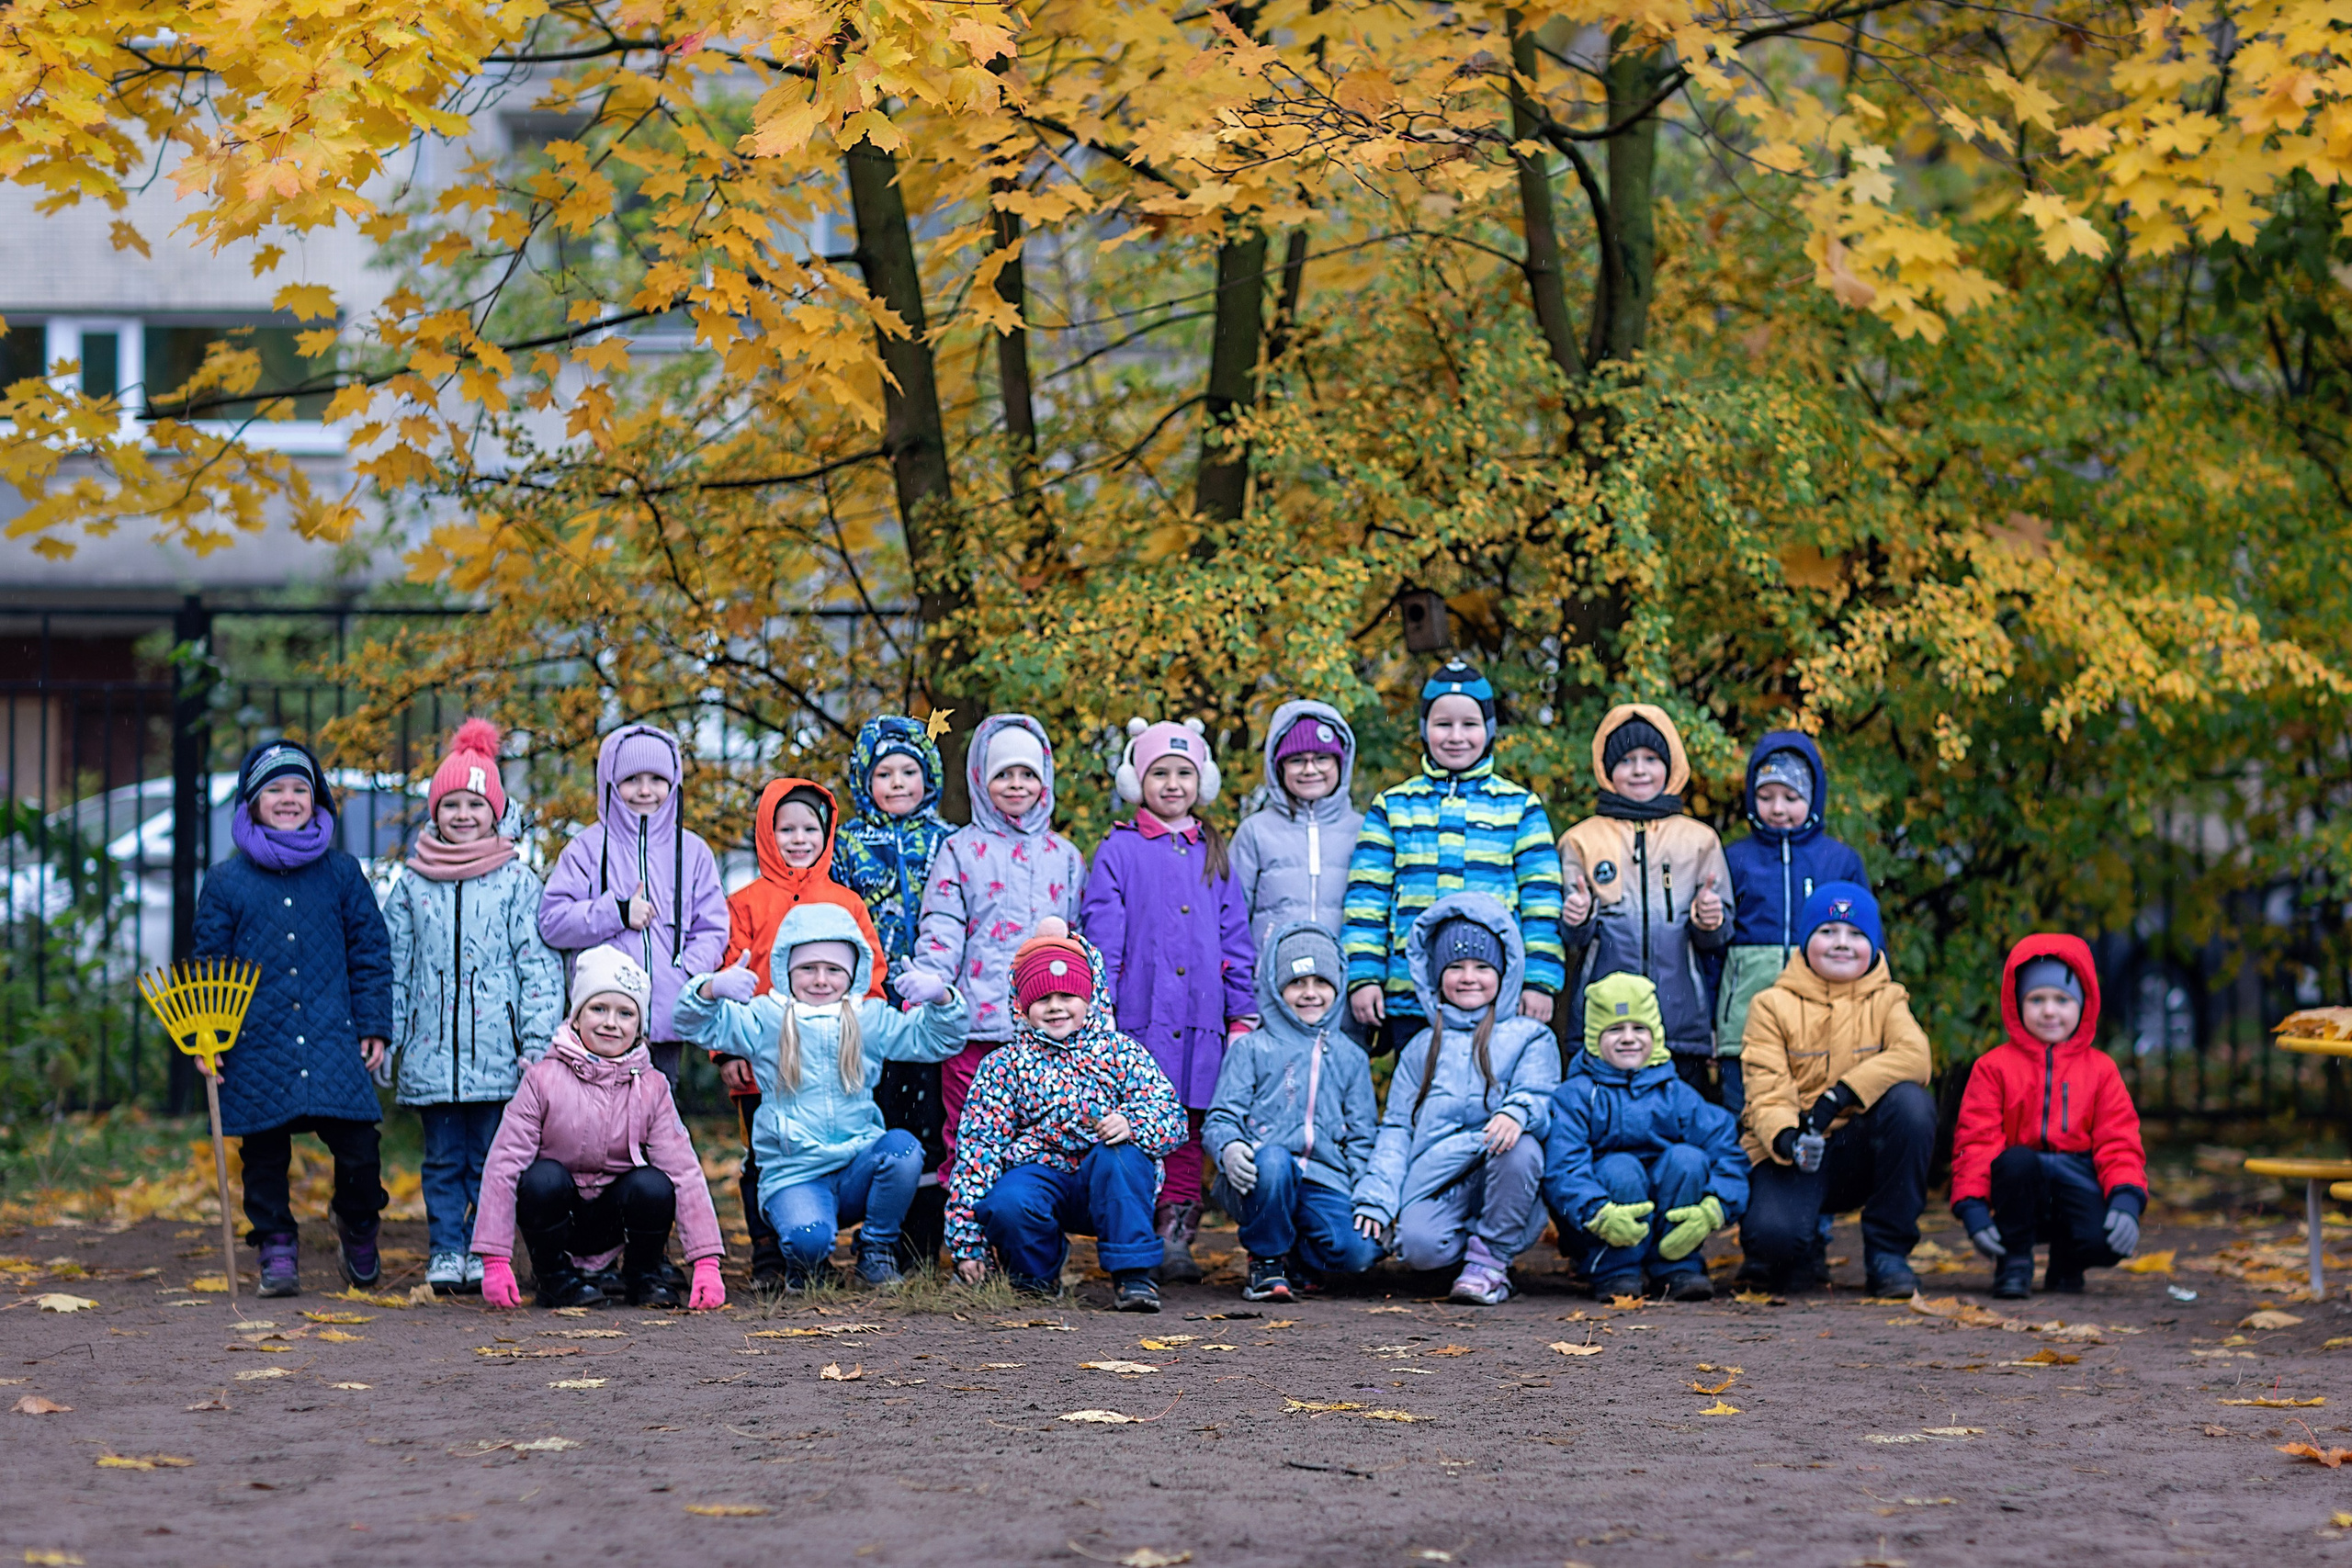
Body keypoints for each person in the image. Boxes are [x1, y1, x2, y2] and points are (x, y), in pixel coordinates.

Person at [675, 903, 968, 1290]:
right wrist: (711, 989)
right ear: (787, 970)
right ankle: (806, 1263)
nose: (820, 979)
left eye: (833, 969)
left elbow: (936, 1041)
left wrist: (942, 1000)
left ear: (852, 973)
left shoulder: (869, 1018)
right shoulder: (765, 1018)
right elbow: (690, 1023)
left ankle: (877, 1249)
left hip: (857, 1166)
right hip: (795, 1172)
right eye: (808, 969)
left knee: (904, 1151)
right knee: (809, 1239)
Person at [194, 739, 393, 1299]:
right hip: (255, 1041)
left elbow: (370, 951)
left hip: (334, 1037)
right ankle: (276, 1245)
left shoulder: (342, 873)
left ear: (318, 800)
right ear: (251, 803)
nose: (288, 798)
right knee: (263, 1153)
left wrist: (374, 1022)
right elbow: (208, 965)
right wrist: (209, 1037)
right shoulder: (226, 881)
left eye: (299, 789)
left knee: (359, 1147)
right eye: (274, 790)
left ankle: (357, 1226)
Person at [382, 718, 565, 1295]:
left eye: (475, 805)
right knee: (442, 1160)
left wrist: (534, 1045)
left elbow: (537, 969)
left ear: (495, 813)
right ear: (435, 812)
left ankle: (486, 1250)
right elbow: (395, 967)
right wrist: (390, 1034)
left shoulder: (515, 882)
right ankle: (445, 1248)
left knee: (493, 1159)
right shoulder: (411, 885)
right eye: (451, 804)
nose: (463, 815)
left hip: (497, 1056)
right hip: (431, 1051)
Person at [1080, 717, 1256, 1283]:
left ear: (1201, 781)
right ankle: (1133, 1229)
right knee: (1136, 1122)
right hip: (1140, 1016)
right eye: (1160, 773)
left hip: (1201, 1016)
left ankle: (1177, 1232)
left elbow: (1235, 937)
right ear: (1138, 780)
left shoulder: (1213, 850)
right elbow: (1102, 935)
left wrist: (1242, 1010)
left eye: (1184, 773)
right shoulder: (1118, 849)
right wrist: (1099, 1009)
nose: (1173, 784)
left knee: (1187, 1123)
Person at [944, 919, 1188, 1312]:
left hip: (1110, 1183)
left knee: (1122, 1158)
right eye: (1042, 999)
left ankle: (1133, 1277)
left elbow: (1172, 1118)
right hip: (1042, 1175)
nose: (1056, 1007)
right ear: (1022, 1007)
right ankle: (1035, 1278)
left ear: (1090, 998)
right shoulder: (1004, 1066)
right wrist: (967, 1244)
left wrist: (1133, 1123)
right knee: (1010, 1200)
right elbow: (978, 1152)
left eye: (1067, 996)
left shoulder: (1120, 1052)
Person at [471, 944, 727, 1311]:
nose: (611, 1022)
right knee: (541, 1178)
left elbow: (684, 1171)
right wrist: (494, 1260)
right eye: (598, 1009)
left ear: (639, 1027)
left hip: (615, 1218)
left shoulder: (652, 1085)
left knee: (654, 1185)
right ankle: (555, 1279)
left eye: (625, 1013)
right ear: (576, 1017)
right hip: (559, 1216)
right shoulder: (542, 1079)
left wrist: (706, 1262)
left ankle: (642, 1274)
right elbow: (503, 1165)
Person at [713, 776, 886, 1289]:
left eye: (810, 827)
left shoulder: (845, 903)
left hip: (834, 1056)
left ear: (827, 831)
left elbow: (870, 973)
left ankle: (822, 1245)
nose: (798, 838)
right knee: (762, 1155)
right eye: (785, 828)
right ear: (767, 832)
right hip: (763, 1059)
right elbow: (729, 976)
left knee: (836, 1147)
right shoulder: (744, 903)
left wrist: (865, 1033)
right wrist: (727, 1051)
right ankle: (768, 1254)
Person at [1343, 661, 1564, 1055]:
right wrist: (1363, 977)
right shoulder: (1392, 806)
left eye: (1470, 724)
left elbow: (1542, 903)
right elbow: (1366, 901)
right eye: (1443, 724)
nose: (1456, 736)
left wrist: (1539, 981)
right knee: (1419, 1098)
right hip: (1410, 991)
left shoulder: (1520, 807)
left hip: (1495, 994)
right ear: (1425, 728)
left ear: (1490, 730)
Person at [1351, 894, 1559, 1305]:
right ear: (1435, 976)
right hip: (1440, 1177)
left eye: (1483, 967)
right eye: (1456, 967)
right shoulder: (1421, 1047)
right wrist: (1377, 1196)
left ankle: (1491, 1259)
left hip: (1501, 1171)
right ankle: (1466, 1259)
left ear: (1504, 973)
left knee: (1521, 1146)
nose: (1469, 977)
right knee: (1418, 1247)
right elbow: (1397, 1128)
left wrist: (1516, 1113)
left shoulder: (1529, 1036)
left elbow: (1540, 1093)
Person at [908, 714, 1088, 1174]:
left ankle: (1031, 1234)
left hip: (1047, 1025)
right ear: (981, 779)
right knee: (969, 1128)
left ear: (1043, 780)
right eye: (1003, 774)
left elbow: (1079, 939)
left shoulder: (1064, 856)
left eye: (1027, 774)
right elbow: (943, 923)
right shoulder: (960, 849)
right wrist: (931, 978)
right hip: (975, 1022)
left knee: (1042, 1131)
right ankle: (969, 1232)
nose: (1015, 784)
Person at [1736, 883, 1935, 1297]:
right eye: (1827, 932)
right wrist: (1788, 1138)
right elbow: (1765, 1088)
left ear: (1874, 945)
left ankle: (1887, 1254)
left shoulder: (1888, 999)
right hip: (1798, 1145)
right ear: (1806, 941)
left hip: (1861, 1147)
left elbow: (1915, 1057)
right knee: (1773, 1242)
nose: (1841, 943)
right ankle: (1802, 1246)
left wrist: (1841, 1094)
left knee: (1912, 1105)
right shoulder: (1771, 1004)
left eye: (1856, 934)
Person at [1950, 934, 2146, 1299]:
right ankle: (2015, 1261)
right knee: (2015, 1162)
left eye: (2062, 999)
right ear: (2017, 1003)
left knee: (2106, 1241)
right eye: (2036, 999)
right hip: (2020, 1185)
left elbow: (2118, 1140)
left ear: (2083, 1003)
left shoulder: (2101, 1070)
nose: (2050, 1011)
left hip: (2077, 1176)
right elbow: (1976, 1141)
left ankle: (2069, 1259)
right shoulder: (1993, 1068)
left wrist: (2127, 1199)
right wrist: (1973, 1206)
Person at [831, 714, 959, 1269]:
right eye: (886, 773)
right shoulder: (849, 845)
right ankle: (876, 1236)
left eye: (911, 770)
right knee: (879, 1113)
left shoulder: (951, 842)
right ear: (865, 780)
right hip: (869, 1002)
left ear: (929, 776)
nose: (900, 782)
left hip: (930, 998)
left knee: (931, 1115)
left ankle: (922, 1244)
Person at [1559, 703, 1735, 1104]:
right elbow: (1570, 936)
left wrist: (1710, 920)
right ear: (1606, 769)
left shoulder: (1700, 840)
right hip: (1603, 1021)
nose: (1639, 770)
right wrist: (1577, 918)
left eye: (1651, 759)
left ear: (1671, 765)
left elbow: (1718, 935)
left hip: (1679, 1021)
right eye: (1626, 760)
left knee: (1678, 1133)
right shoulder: (1581, 840)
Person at [537, 723, 729, 1086]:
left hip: (664, 1023)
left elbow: (713, 927)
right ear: (610, 784)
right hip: (601, 1024)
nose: (645, 790)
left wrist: (686, 971)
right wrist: (617, 913)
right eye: (632, 780)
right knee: (597, 1126)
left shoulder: (692, 852)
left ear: (673, 783)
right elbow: (552, 920)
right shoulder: (586, 849)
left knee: (659, 1123)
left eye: (657, 779)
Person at [1202, 921, 1382, 1303]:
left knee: (1360, 1251)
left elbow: (1363, 1135)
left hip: (1324, 1178)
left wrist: (1365, 1193)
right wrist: (1230, 1148)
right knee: (1274, 1162)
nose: (1310, 994)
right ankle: (1267, 1260)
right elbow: (1221, 1118)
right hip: (1260, 1177)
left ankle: (1299, 1258)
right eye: (1297, 983)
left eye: (1321, 983)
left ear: (1338, 986)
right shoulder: (1253, 1048)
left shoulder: (1350, 1056)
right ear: (1277, 988)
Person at [1541, 972, 1747, 1302]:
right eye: (1614, 1030)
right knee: (1620, 1167)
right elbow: (1563, 1166)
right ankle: (1615, 1269)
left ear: (1656, 1035)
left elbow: (1726, 1147)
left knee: (1688, 1159)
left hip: (1668, 1207)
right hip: (1607, 1214)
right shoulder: (1576, 1096)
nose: (1628, 1038)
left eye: (1639, 1028)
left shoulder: (1675, 1093)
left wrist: (1715, 1208)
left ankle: (1677, 1265)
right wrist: (1597, 1213)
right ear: (1594, 1038)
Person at [1717, 731, 1869, 1083]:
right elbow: (1713, 952)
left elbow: (1869, 944)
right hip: (1743, 1029)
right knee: (1747, 1124)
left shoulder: (1840, 861)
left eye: (1791, 796)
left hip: (1824, 1030)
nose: (1778, 809)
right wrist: (1711, 1027)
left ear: (1813, 798)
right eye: (1766, 797)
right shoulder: (1734, 859)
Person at [1229, 701, 1363, 947]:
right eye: (1297, 760)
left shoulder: (1363, 830)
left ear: (1340, 764)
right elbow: (1231, 918)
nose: (1310, 770)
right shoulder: (1255, 831)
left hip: (1344, 980)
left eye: (1322, 758)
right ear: (1279, 767)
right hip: (1270, 979)